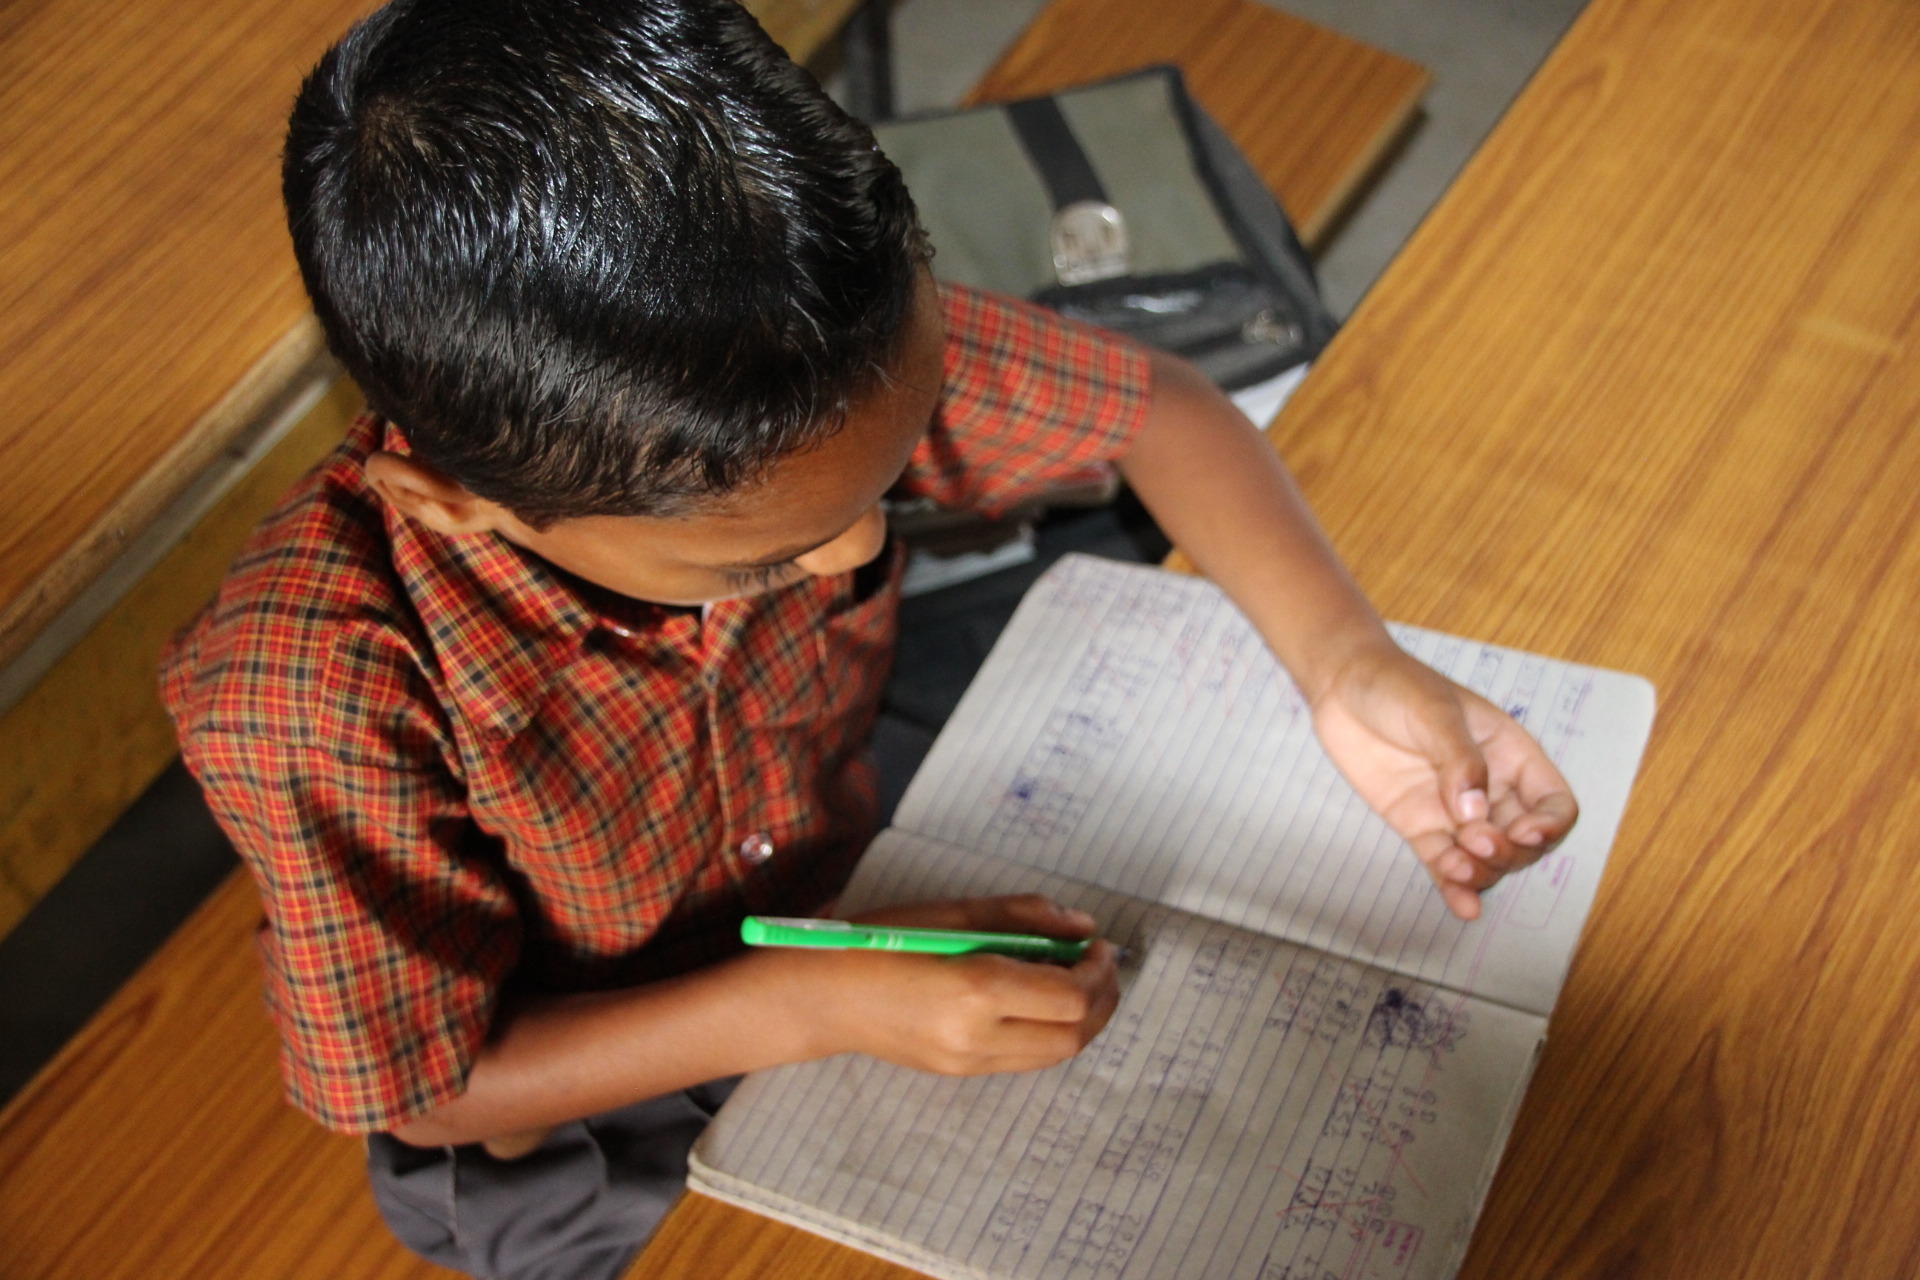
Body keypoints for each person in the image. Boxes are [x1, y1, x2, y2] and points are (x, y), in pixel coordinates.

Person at [161, 0, 1579, 1275]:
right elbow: (431, 1088)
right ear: (455, 505)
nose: (855, 548)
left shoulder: (804, 373)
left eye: (890, 478)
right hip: (584, 1108)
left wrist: (1350, 667)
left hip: (843, 887)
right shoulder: (311, 691)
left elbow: (1158, 405)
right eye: (768, 557)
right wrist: (812, 1006)